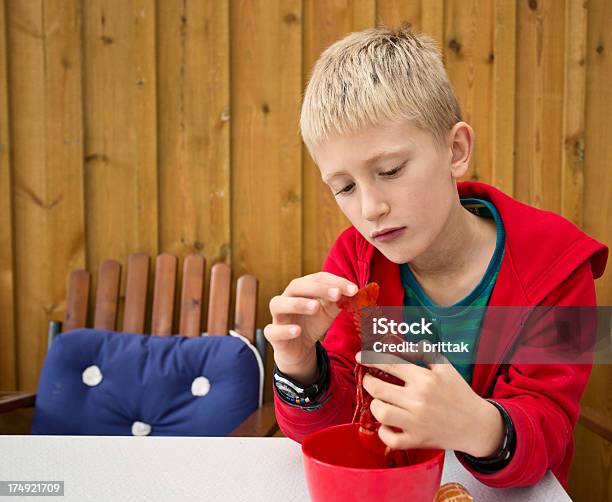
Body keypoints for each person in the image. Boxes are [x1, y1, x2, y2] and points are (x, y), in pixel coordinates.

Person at [264, 25, 608, 489]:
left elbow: (550, 422)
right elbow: (334, 432)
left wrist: (477, 426)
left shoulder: (560, 266)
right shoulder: (356, 260)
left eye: (390, 171)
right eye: (344, 187)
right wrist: (302, 366)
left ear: (456, 150)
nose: (370, 209)